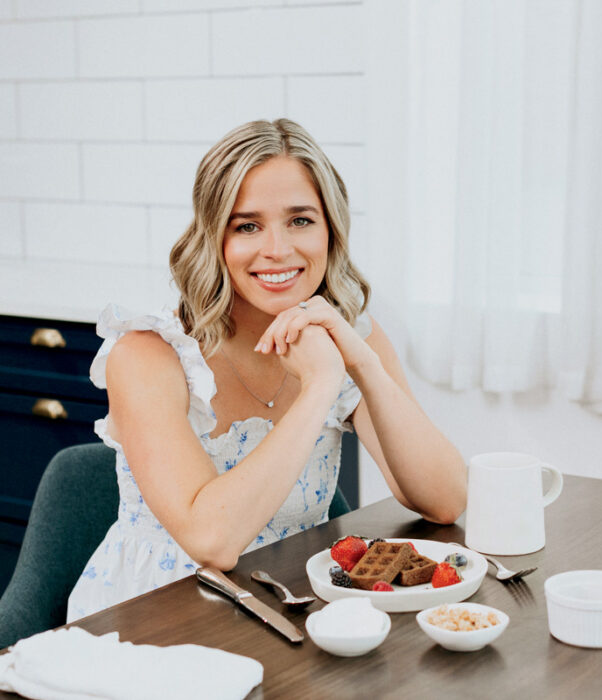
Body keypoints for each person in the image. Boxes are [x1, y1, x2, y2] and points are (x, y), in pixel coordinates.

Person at [66, 118, 467, 622]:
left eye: (300, 220)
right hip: (157, 616)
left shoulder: (347, 336)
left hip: (292, 603)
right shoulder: (148, 354)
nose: (277, 249)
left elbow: (446, 500)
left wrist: (360, 360)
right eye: (247, 225)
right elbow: (213, 542)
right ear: (214, 238)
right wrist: (321, 385)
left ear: (330, 229)